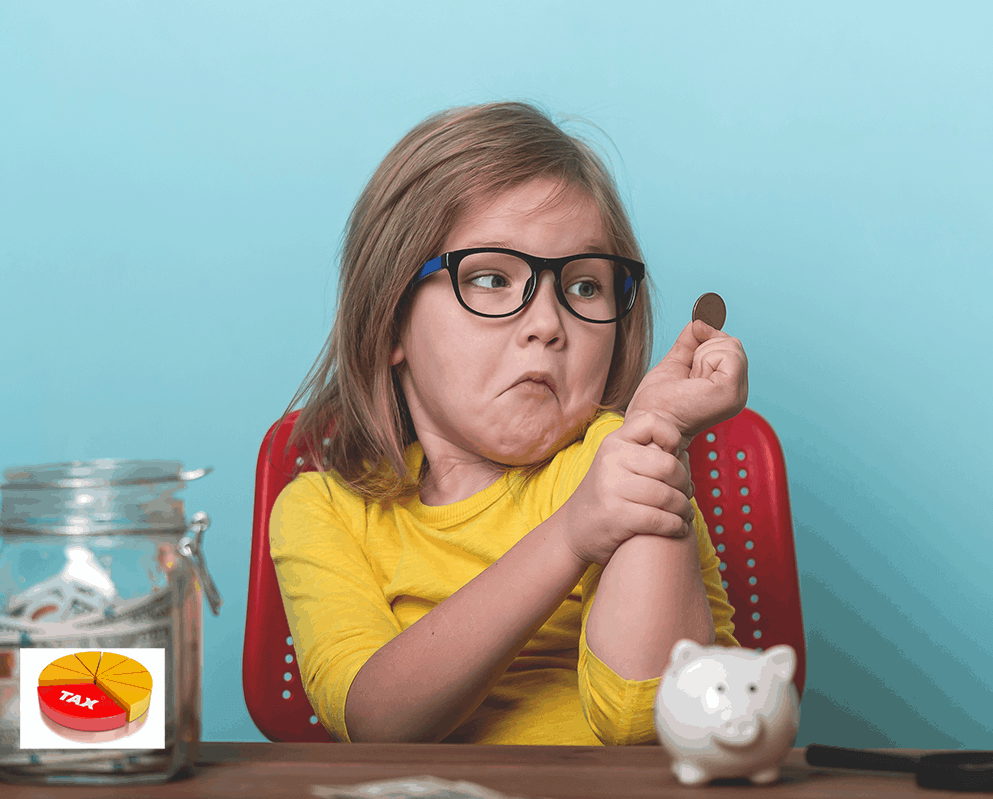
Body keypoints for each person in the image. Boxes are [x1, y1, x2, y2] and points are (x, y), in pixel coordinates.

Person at [269, 101, 749, 746]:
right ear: (389, 323)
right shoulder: (322, 512)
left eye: (583, 287)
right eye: (493, 278)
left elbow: (649, 724)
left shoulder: (620, 459)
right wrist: (574, 536)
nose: (548, 324)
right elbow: (379, 722)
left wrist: (655, 430)